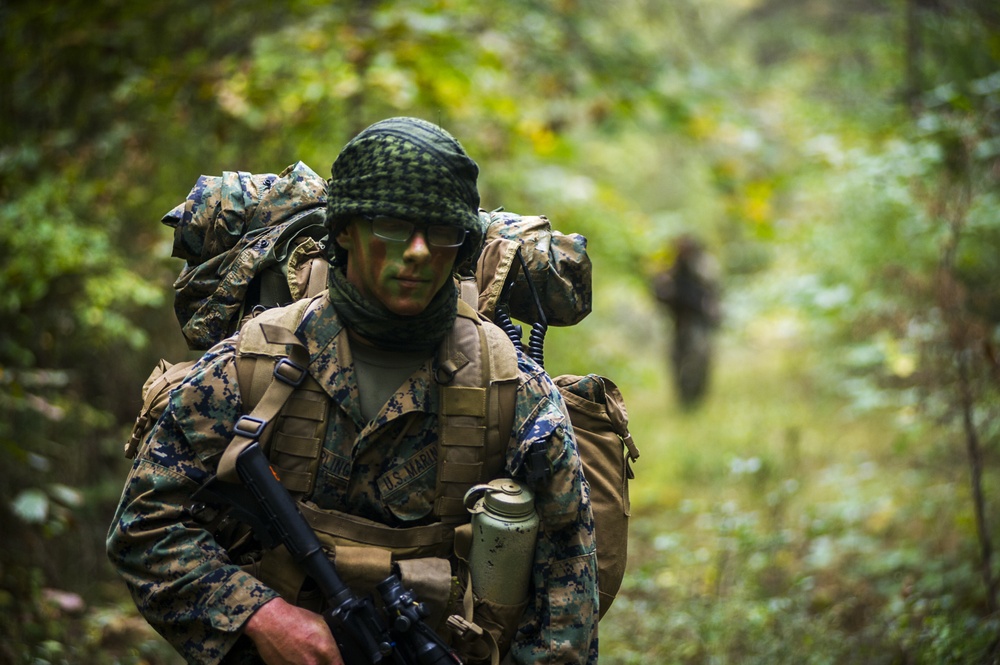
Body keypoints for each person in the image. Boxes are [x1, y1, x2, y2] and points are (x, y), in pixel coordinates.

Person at [106, 117, 598, 664]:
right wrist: (261, 615)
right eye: (391, 225)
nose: (416, 251)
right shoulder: (252, 365)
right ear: (344, 230)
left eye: (439, 232)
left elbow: (564, 601)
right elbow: (142, 528)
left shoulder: (510, 388)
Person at [652, 234, 722, 408]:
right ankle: (685, 399)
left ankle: (696, 399)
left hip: (698, 320)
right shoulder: (671, 269)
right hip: (680, 320)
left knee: (699, 358)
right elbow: (661, 293)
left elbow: (713, 291)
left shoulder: (703, 265)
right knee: (678, 361)